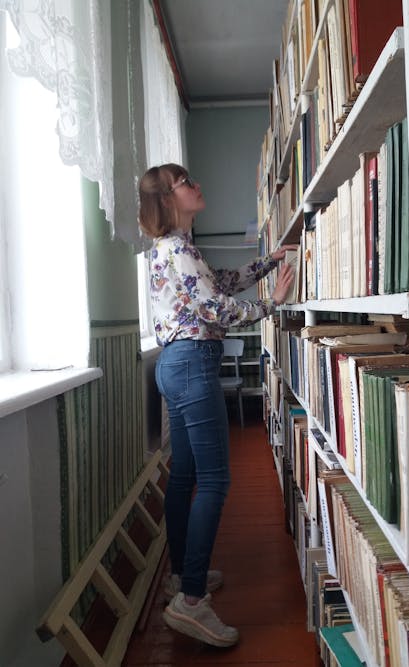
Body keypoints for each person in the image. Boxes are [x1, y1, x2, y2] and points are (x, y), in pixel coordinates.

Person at [138, 163, 295, 648]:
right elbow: (216, 308)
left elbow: (220, 283)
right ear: (168, 198)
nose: (196, 184)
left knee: (185, 476)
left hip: (176, 362)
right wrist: (273, 303)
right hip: (191, 363)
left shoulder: (176, 249)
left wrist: (268, 263)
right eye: (186, 182)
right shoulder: (178, 250)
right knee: (215, 479)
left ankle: (184, 575)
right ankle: (190, 602)